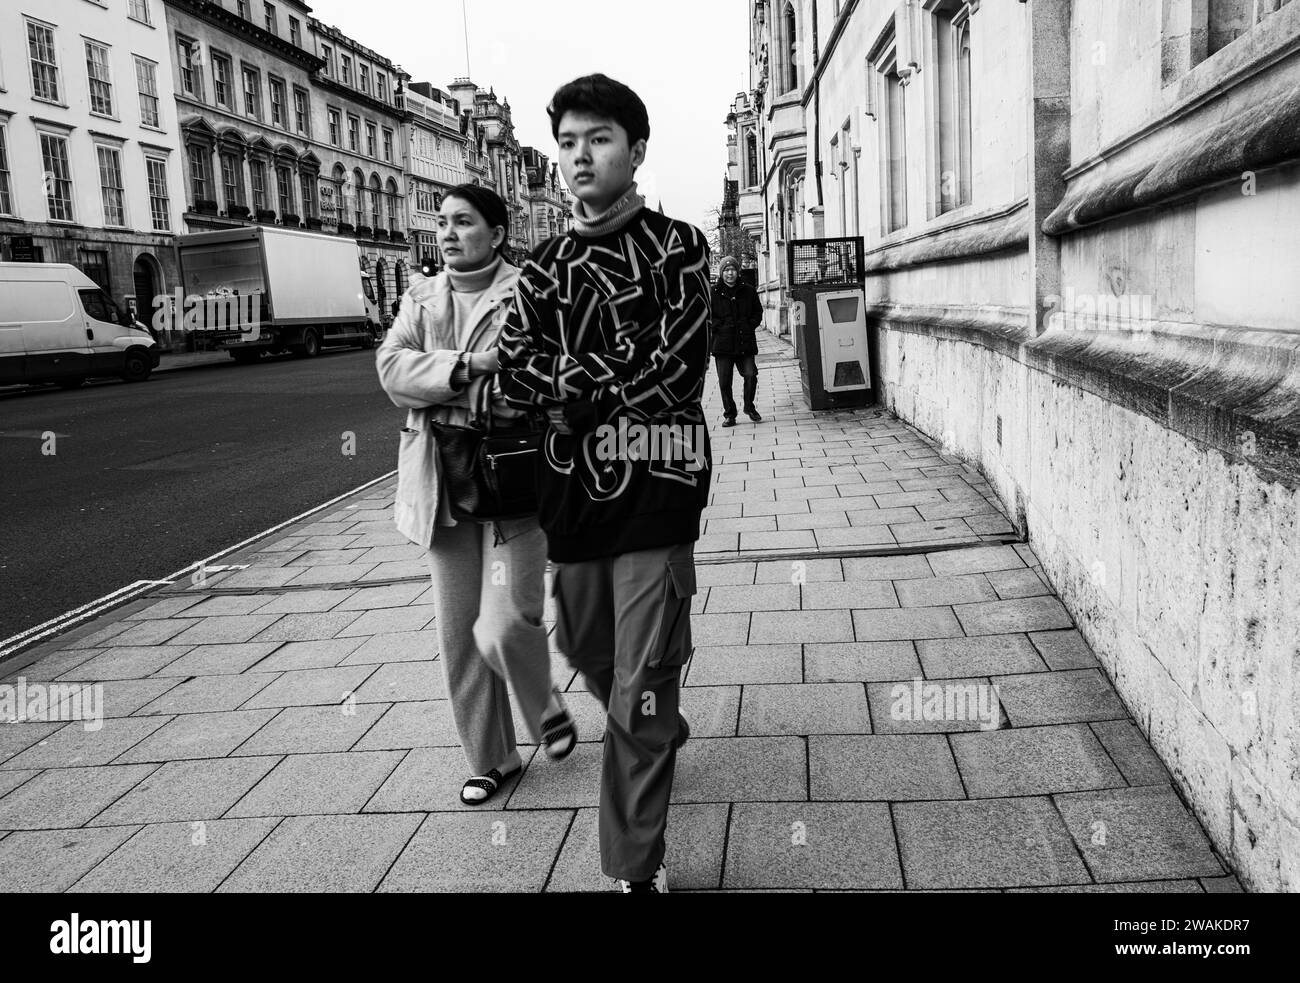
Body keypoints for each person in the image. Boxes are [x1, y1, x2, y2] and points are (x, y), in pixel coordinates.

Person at [497, 74, 712, 894]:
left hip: (657, 482)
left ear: (636, 150)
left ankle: (634, 865)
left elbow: (675, 370)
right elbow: (516, 377)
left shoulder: (680, 247)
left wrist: (571, 385)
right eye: (567, 143)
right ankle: (650, 705)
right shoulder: (543, 265)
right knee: (586, 647)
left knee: (642, 679)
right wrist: (587, 384)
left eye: (598, 139)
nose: (580, 156)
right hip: (572, 495)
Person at [376, 184, 576, 807]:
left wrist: (446, 380)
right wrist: (469, 369)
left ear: (497, 231)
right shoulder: (420, 297)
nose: (449, 232)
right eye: (443, 221)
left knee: (507, 617)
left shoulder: (531, 292)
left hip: (514, 476)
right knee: (459, 632)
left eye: (464, 221)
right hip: (443, 479)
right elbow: (391, 372)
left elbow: (539, 378)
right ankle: (492, 758)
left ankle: (543, 702)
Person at [711, 256, 763, 426]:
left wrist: (749, 325)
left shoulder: (748, 290)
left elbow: (757, 312)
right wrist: (720, 327)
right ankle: (730, 414)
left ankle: (749, 406)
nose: (730, 273)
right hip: (723, 345)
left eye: (732, 269)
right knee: (725, 382)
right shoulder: (714, 292)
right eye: (726, 270)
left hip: (744, 341)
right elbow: (707, 316)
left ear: (737, 271)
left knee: (750, 375)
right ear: (721, 273)